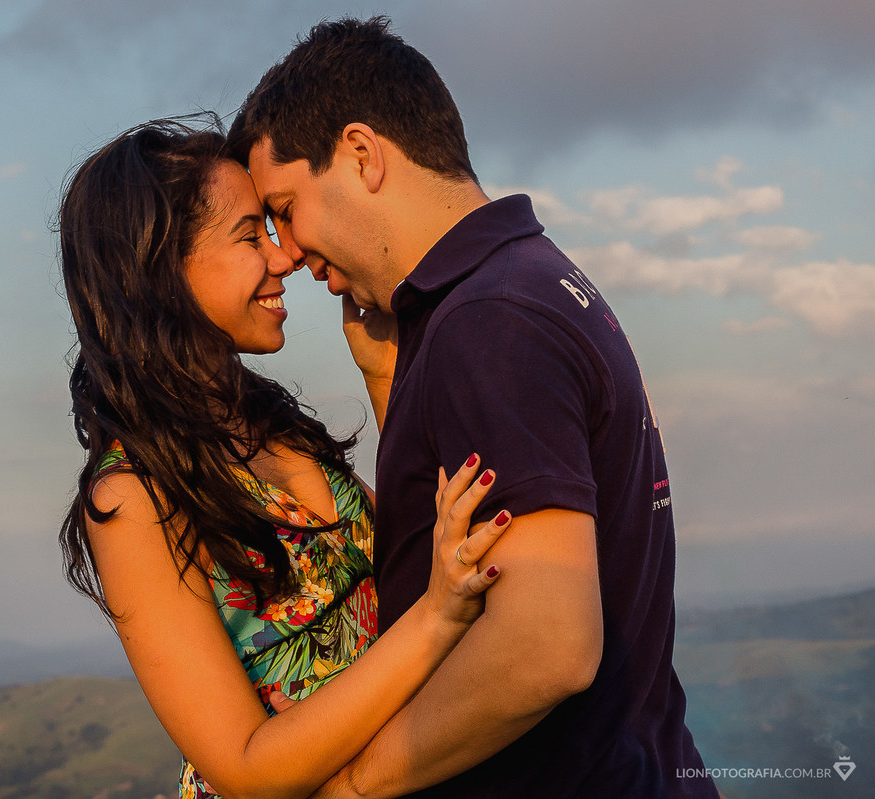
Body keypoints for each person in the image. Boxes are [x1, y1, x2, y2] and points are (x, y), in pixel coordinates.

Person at [227, 16, 718, 799]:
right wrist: (389, 378)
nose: (285, 251)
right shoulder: (530, 280)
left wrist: (355, 786)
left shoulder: (489, 322)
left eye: (285, 207)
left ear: (361, 154)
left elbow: (547, 643)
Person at [57, 118, 515, 799]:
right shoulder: (133, 498)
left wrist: (382, 376)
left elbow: (408, 558)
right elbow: (245, 766)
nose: (285, 257)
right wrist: (434, 621)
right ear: (161, 271)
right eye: (251, 236)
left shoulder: (274, 426)